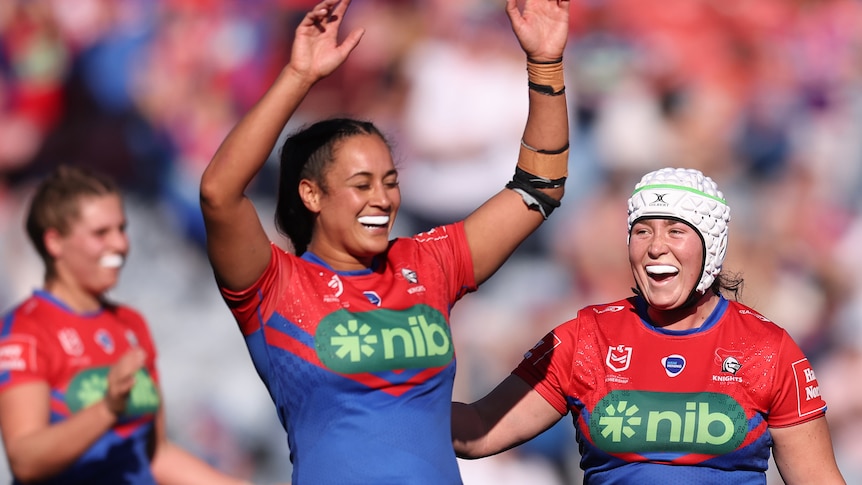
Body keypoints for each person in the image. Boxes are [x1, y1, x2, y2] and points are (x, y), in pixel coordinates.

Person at [198, 0, 571, 482]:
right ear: (311, 194)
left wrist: (546, 62)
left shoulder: (429, 262)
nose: (382, 199)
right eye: (361, 184)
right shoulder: (275, 286)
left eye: (390, 181)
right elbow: (219, 193)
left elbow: (539, 187)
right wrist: (298, 75)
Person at [452, 167, 847, 484]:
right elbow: (481, 429)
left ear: (712, 246)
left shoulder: (768, 348)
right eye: (642, 230)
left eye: (675, 231)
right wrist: (394, 395)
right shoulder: (585, 338)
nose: (655, 246)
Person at [0, 165, 253, 485]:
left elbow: (155, 453)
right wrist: (106, 409)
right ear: (54, 242)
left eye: (122, 229)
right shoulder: (25, 330)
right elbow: (26, 460)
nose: (120, 244)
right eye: (101, 233)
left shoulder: (130, 325)